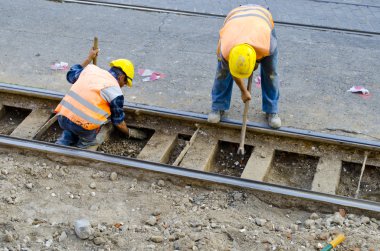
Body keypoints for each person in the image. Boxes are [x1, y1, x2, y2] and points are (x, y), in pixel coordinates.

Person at [54, 47, 146, 148]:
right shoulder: (115, 91)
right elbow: (118, 122)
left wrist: (89, 59)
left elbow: (70, 75)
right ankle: (84, 144)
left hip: (62, 118)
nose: (123, 85)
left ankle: (64, 140)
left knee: (73, 126)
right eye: (125, 82)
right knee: (90, 137)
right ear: (121, 77)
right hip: (83, 127)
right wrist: (129, 132)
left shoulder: (90, 70)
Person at [208, 4, 281, 129]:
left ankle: (272, 110)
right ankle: (218, 107)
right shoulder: (226, 49)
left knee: (271, 73)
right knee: (222, 73)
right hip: (235, 20)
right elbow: (231, 69)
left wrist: (257, 62)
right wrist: (244, 91)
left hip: (261, 19)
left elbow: (264, 62)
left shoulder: (267, 46)